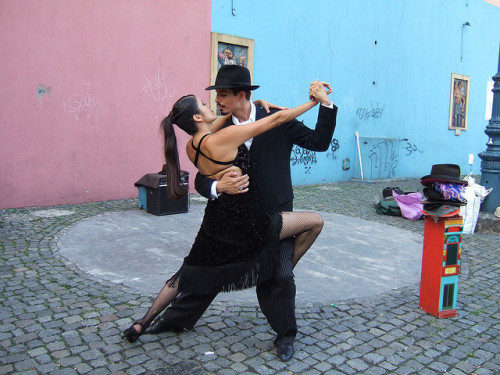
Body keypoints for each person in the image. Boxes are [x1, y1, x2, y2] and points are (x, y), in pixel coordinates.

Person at [145, 65, 338, 361]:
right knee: (205, 275)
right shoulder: (215, 129)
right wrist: (217, 186)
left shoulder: (276, 118)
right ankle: (175, 321)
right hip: (232, 220)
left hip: (274, 215)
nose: (217, 100)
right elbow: (200, 177)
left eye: (223, 94)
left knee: (281, 276)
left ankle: (285, 335)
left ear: (242, 95)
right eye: (215, 95)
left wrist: (324, 104)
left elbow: (319, 143)